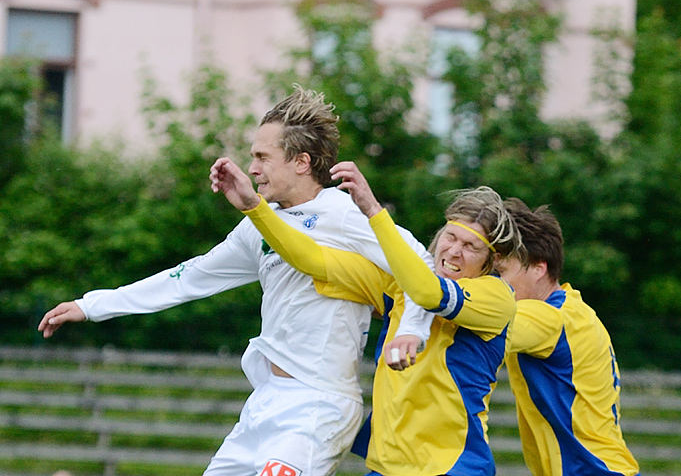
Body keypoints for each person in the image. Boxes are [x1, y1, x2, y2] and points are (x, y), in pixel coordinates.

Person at [37, 87, 434, 476]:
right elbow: (188, 277)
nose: (254, 168)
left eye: (262, 157)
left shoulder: (342, 212)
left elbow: (419, 264)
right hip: (265, 403)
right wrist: (92, 305)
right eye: (251, 157)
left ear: (301, 162)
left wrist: (413, 329)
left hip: (318, 406)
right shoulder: (258, 227)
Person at [211, 158, 522, 476]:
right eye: (451, 237)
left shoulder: (495, 296)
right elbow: (313, 259)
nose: (455, 251)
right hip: (385, 468)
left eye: (471, 246)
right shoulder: (398, 283)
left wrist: (373, 211)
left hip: (451, 467)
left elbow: (428, 293)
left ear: (491, 260)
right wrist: (255, 207)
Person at [496, 198, 640, 476]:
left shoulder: (550, 318)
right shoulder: (571, 308)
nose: (493, 284)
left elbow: (479, 319)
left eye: (500, 273)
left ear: (539, 268)